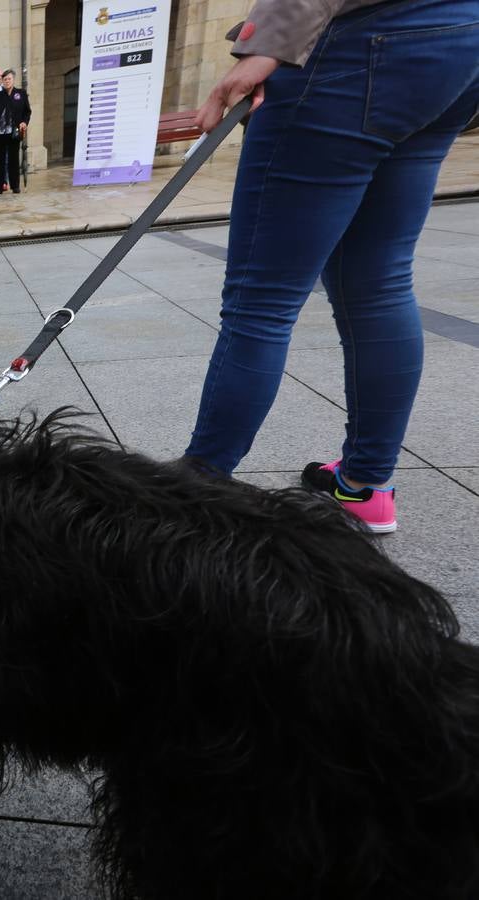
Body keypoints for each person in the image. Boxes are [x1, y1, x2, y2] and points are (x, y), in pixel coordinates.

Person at [182, 0, 479, 535]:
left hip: (359, 47)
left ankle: (192, 493)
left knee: (261, 303)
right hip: (460, 43)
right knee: (379, 283)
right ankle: (366, 485)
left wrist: (268, 41)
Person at [0, 67, 31, 196]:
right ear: (2, 81)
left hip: (15, 132)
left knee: (13, 160)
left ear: (13, 80)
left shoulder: (21, 93)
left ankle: (15, 186)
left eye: (9, 79)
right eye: (5, 79)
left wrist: (25, 122)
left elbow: (27, 111)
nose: (7, 81)